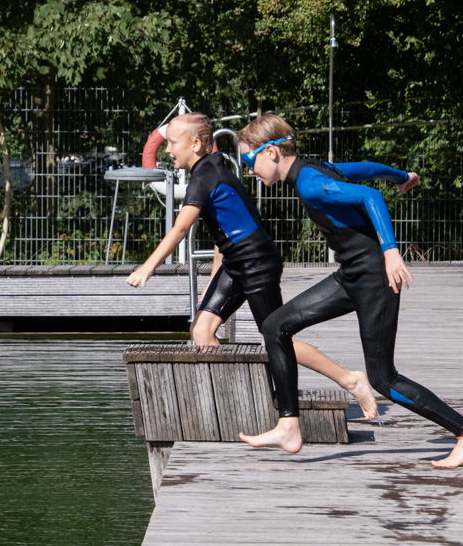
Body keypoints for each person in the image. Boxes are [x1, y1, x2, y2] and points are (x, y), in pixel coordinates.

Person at [233, 114, 463, 468]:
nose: (249, 170)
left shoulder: (310, 184)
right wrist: (402, 176)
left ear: (272, 152)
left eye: (249, 160)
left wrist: (390, 250)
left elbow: (370, 194)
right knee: (275, 326)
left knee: (384, 378)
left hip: (374, 279)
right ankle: (289, 426)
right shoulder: (316, 169)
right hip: (352, 275)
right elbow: (368, 169)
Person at [126, 112, 377, 416]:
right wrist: (215, 279)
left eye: (172, 143)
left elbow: (180, 229)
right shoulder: (209, 171)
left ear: (195, 145)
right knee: (201, 331)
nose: (167, 150)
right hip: (235, 263)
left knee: (274, 335)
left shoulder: (206, 176)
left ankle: (350, 379)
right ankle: (232, 403)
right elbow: (223, 233)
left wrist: (147, 268)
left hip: (257, 263)